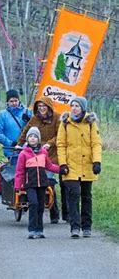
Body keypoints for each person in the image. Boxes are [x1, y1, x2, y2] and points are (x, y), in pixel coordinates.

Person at [57, 97, 102, 238]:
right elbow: (61, 144)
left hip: (87, 165)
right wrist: (63, 163)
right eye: (72, 105)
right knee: (73, 195)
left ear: (83, 108)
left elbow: (96, 143)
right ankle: (75, 227)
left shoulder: (90, 123)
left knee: (86, 196)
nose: (74, 108)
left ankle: (87, 226)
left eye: (77, 105)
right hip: (71, 165)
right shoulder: (65, 123)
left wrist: (97, 161)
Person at [17, 97, 64, 223]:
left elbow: (60, 134)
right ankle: (34, 205)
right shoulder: (34, 119)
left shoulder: (57, 117)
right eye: (39, 106)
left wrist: (49, 143)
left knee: (48, 182)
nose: (42, 109)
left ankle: (54, 213)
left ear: (49, 107)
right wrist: (19, 144)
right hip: (33, 153)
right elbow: (25, 132)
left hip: (51, 155)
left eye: (44, 106)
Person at [14, 127, 62, 239]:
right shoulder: (23, 154)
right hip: (30, 184)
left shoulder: (43, 152)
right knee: (33, 204)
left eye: (35, 136)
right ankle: (31, 229)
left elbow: (49, 166)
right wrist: (17, 186)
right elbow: (19, 171)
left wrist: (61, 169)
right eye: (30, 136)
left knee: (41, 206)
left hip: (42, 184)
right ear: (27, 139)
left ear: (39, 139)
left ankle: (39, 229)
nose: (32, 138)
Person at [0, 89, 32, 161]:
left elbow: (35, 128)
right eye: (11, 101)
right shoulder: (2, 115)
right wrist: (10, 143)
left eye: (15, 100)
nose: (14, 103)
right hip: (12, 151)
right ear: (7, 102)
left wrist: (29, 120)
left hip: (27, 150)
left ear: (19, 100)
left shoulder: (27, 112)